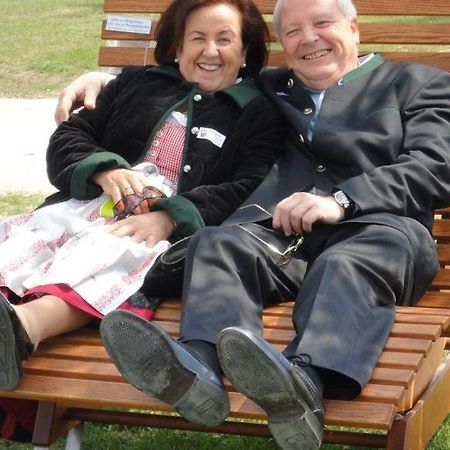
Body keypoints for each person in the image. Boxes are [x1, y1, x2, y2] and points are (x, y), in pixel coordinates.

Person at [58, 0, 450, 448]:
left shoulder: (419, 84)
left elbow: (438, 164)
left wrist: (343, 200)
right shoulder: (271, 87)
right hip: (282, 236)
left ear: (355, 28)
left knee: (347, 264)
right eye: (295, 31)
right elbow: (198, 76)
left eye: (322, 23)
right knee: (217, 243)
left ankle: (305, 385)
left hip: (382, 233)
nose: (309, 39)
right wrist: (104, 82)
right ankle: (198, 368)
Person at [0, 0, 286, 437]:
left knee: (109, 252)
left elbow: (249, 186)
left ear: (246, 52)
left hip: (158, 231)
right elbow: (70, 136)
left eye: (225, 39)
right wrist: (103, 169)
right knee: (23, 240)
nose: (210, 50)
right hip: (86, 205)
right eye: (197, 37)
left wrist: (171, 218)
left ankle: (20, 330)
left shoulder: (257, 112)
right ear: (175, 45)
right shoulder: (135, 84)